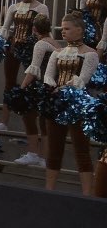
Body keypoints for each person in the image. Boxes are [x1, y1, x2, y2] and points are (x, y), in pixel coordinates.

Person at [42, 12, 99, 195]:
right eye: (62, 28)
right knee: (54, 149)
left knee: (81, 150)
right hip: (57, 104)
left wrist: (61, 89)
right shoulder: (57, 52)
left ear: (80, 30)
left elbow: (82, 80)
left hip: (78, 104)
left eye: (67, 28)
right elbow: (48, 75)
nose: (63, 31)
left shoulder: (90, 54)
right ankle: (49, 191)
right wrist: (51, 87)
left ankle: (87, 194)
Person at [0, 0, 50, 129]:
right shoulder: (13, 7)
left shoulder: (41, 7)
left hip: (32, 50)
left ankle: (35, 125)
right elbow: (5, 28)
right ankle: (4, 122)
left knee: (32, 84)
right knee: (9, 83)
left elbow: (44, 30)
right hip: (13, 47)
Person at [8, 15, 56, 168]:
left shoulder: (40, 44)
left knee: (29, 117)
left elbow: (34, 70)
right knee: (43, 122)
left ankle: (34, 154)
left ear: (34, 29)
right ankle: (44, 157)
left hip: (40, 85)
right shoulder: (54, 42)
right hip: (49, 86)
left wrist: (21, 88)